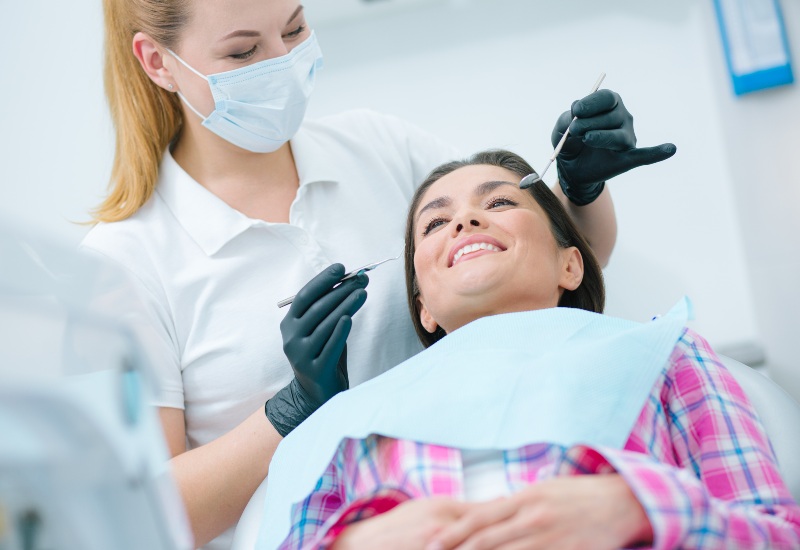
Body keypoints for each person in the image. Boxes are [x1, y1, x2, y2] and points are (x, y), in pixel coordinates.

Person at [82, 0, 675, 547]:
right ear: (157, 61)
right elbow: (141, 516)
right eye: (243, 53)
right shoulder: (124, 262)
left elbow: (563, 263)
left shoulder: (379, 147)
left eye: (294, 28)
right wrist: (291, 410)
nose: (283, 63)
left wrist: (580, 188)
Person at [264, 150, 800, 550]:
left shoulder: (665, 356)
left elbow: (776, 533)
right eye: (434, 222)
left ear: (571, 263)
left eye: (499, 201)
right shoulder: (351, 424)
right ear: (422, 305)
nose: (464, 222)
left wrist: (642, 510)